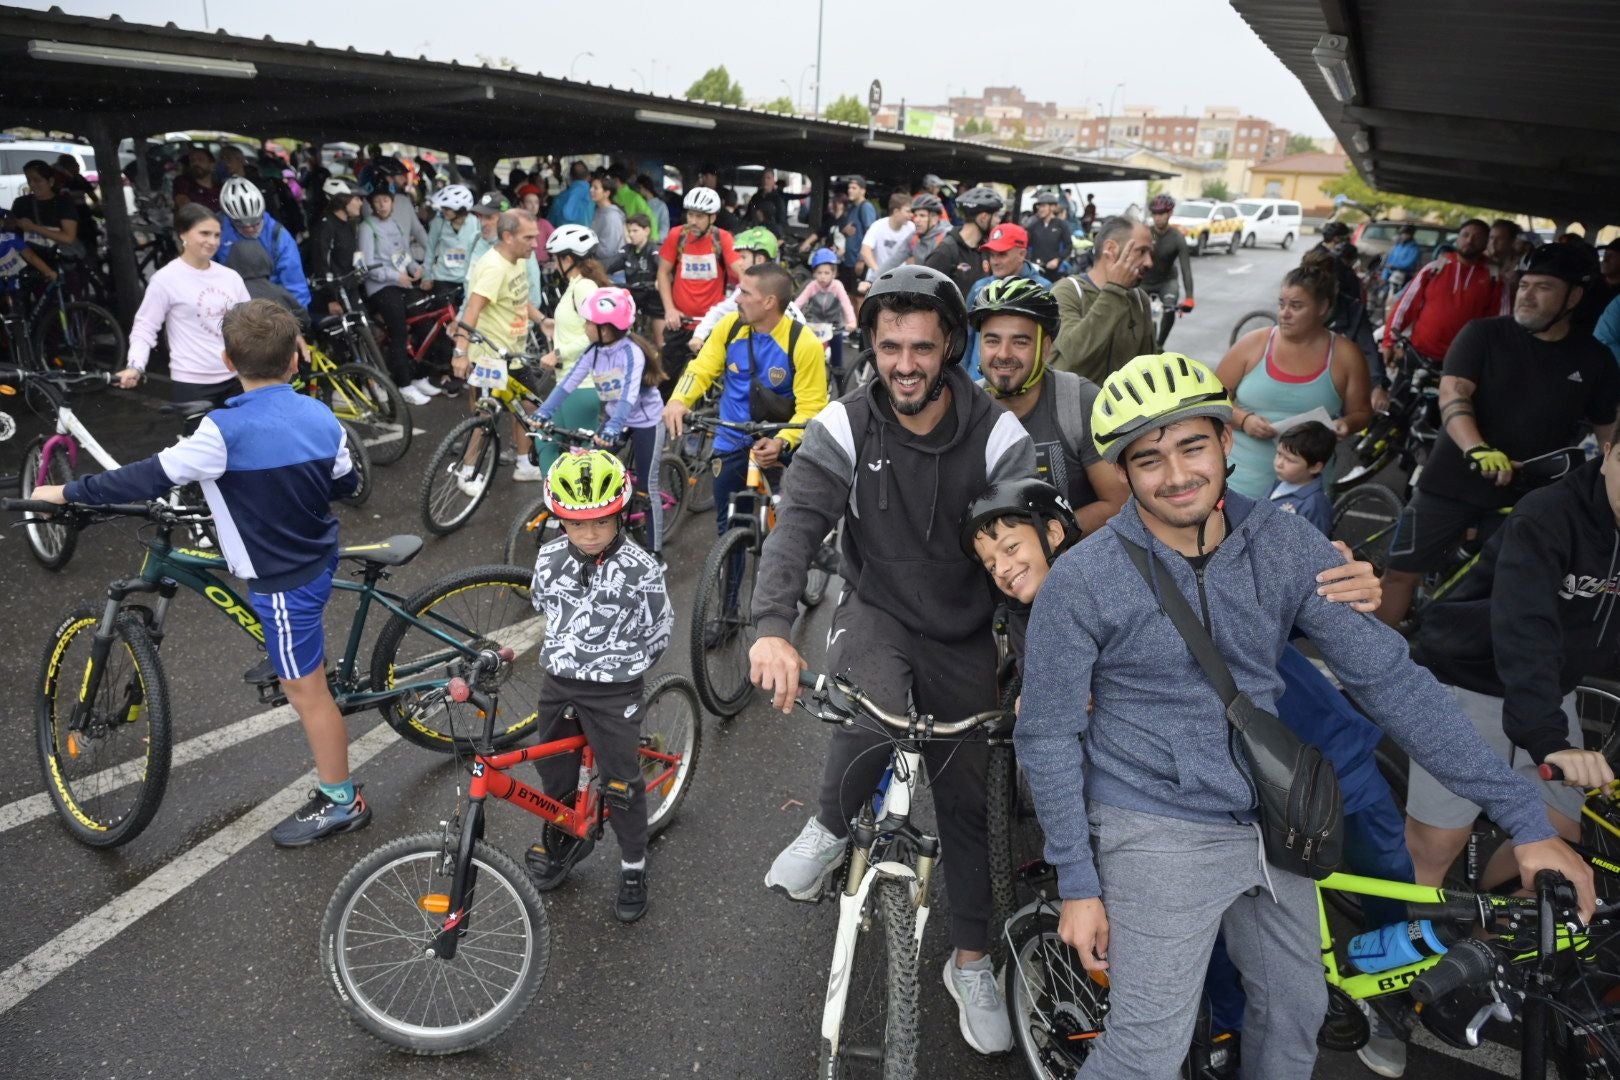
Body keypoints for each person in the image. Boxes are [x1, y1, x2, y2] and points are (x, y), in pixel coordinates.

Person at [1015, 351, 1596, 1080]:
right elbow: (1046, 733)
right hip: (1155, 823)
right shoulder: (1084, 582)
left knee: (1296, 1018)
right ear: (1125, 474)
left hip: (1271, 814)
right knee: (1144, 1053)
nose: (1176, 474)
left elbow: (1393, 681)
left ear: (1229, 443)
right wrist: (1077, 880)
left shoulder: (1287, 544)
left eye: (1193, 445)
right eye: (1148, 459)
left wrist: (1527, 819)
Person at [748, 265, 1036, 1057]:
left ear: (951, 347)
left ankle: (970, 962)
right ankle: (831, 824)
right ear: (870, 346)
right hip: (876, 609)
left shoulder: (1000, 437)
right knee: (867, 706)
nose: (904, 363)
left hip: (963, 628)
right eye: (888, 347)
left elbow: (1032, 561)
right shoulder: (844, 426)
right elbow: (798, 526)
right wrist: (772, 626)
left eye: (920, 346)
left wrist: (1041, 666)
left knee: (971, 804)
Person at [37, 299, 368, 847]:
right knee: (302, 653)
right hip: (315, 553)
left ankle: (342, 801)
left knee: (306, 692)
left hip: (281, 578)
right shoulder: (319, 414)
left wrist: (67, 491)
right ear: (294, 361)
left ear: (226, 359)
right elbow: (345, 483)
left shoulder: (222, 430)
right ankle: (304, 658)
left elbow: (147, 476)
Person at [1408, 440, 1620, 889]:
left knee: (1558, 843)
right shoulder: (1547, 516)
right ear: (1607, 454)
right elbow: (1526, 628)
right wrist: (1547, 737)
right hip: (1466, 678)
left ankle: (1494, 945)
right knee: (1437, 843)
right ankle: (1401, 947)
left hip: (1550, 688)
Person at [1377, 243, 1620, 626]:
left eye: (1544, 287)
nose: (1527, 294)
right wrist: (1477, 449)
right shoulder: (1483, 334)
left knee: (1504, 593)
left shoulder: (1594, 359)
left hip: (1531, 495)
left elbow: (1610, 434)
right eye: (1524, 285)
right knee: (1400, 575)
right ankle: (1363, 677)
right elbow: (1454, 392)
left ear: (1573, 297)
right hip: (1452, 480)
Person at [523, 449, 673, 922]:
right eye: (576, 524)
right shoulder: (549, 558)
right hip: (559, 683)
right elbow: (541, 603)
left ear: (620, 515)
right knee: (555, 775)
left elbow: (659, 630)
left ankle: (633, 863)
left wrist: (620, 669)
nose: (589, 534)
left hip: (614, 691)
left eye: (602, 523)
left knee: (621, 782)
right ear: (559, 521)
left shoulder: (641, 568)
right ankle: (569, 838)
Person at [664, 262, 830, 577]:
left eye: (744, 292)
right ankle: (727, 613)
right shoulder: (730, 327)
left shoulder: (803, 342)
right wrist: (678, 400)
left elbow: (812, 406)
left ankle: (807, 549)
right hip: (732, 439)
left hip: (780, 439)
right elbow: (701, 369)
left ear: (769, 302)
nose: (737, 298)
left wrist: (783, 440)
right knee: (729, 531)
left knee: (792, 515)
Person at [970, 276, 1127, 533]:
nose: (1003, 353)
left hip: (1071, 564)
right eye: (992, 340)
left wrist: (1044, 540)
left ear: (1045, 348)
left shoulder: (1080, 401)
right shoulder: (964, 407)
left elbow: (1118, 503)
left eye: (1020, 341)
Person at [1217, 257, 1372, 498]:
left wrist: (1347, 424)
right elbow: (1211, 398)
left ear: (1322, 308)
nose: (1284, 314)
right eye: (1282, 304)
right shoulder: (1254, 343)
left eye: (1296, 306)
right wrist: (1243, 419)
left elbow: (1362, 413)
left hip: (1304, 497)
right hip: (1239, 483)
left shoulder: (1346, 356)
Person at [536, 288, 668, 553]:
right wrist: (544, 411)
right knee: (592, 471)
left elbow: (629, 396)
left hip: (645, 421)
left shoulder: (632, 352)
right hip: (613, 419)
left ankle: (655, 551)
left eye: (588, 322)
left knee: (647, 486)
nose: (585, 327)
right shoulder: (593, 351)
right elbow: (567, 384)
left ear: (606, 329)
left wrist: (614, 427)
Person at [449, 210, 550, 486]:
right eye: (528, 237)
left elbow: (519, 300)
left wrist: (542, 321)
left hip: (513, 354)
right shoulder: (493, 267)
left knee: (527, 406)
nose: (535, 244)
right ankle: (467, 473)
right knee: (484, 416)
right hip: (490, 359)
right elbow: (472, 310)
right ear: (507, 237)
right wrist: (461, 352)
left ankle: (522, 463)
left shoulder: (517, 259)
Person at [120, 204, 251, 403]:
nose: (212, 241)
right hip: (192, 383)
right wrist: (135, 365)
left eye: (217, 235)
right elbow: (145, 327)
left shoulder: (230, 277)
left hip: (236, 379)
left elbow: (251, 323)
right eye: (204, 233)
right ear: (183, 234)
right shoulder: (165, 279)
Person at [529, 223, 611, 478]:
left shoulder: (584, 287)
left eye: (556, 258)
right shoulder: (576, 286)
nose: (554, 264)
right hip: (567, 382)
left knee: (585, 459)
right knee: (546, 440)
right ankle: (558, 506)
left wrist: (558, 353)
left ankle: (589, 510)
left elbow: (599, 335)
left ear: (568, 258)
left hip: (582, 384)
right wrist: (556, 328)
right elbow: (579, 327)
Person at [1048, 215, 1157, 384]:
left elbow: (1149, 366)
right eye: (1141, 251)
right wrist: (1115, 291)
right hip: (1073, 408)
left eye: (1150, 253)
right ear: (1111, 249)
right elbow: (1075, 351)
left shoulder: (1140, 300)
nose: (1149, 262)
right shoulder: (1067, 292)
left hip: (1123, 409)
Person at [656, 187, 743, 393]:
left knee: (714, 381)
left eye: (700, 216)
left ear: (712, 217)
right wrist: (669, 309)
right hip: (680, 321)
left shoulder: (723, 239)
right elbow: (663, 274)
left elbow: (742, 273)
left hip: (710, 324)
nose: (693, 221)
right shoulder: (677, 236)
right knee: (666, 380)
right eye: (690, 214)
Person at [1383, 218, 1501, 366]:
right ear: (1457, 238)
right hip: (1419, 353)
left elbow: (1499, 322)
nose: (1469, 241)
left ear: (1485, 243)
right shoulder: (1434, 268)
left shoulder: (1494, 278)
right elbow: (1405, 306)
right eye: (1465, 235)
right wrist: (1389, 341)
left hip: (1463, 360)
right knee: (1397, 388)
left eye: (1477, 238)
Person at [359, 185, 431, 401]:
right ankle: (403, 383)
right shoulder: (366, 227)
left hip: (402, 283)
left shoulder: (396, 224)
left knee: (424, 320)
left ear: (392, 203)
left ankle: (419, 375)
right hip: (380, 286)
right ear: (372, 204)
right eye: (378, 201)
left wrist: (414, 268)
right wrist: (394, 276)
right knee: (398, 329)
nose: (382, 205)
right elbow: (368, 266)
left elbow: (403, 255)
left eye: (386, 200)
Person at [689, 228, 806, 350]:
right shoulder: (742, 290)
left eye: (743, 257)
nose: (739, 263)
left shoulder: (780, 293)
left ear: (759, 259)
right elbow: (719, 311)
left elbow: (799, 327)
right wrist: (699, 336)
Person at [962, 223, 1052, 380]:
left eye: (1002, 254)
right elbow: (966, 336)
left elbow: (1049, 346)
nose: (995, 261)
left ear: (1022, 254)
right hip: (977, 384)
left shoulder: (1042, 289)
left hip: (1020, 386)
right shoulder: (979, 287)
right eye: (992, 255)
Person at [216, 177, 311, 311]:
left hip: (272, 305)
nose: (249, 229)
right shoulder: (216, 231)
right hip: (230, 304)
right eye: (241, 225)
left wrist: (298, 322)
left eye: (255, 223)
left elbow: (295, 284)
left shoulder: (278, 235)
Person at [925, 184, 1002, 297]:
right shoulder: (945, 251)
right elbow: (925, 293)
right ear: (984, 217)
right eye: (996, 216)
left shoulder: (986, 249)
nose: (998, 221)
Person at [1140, 194, 1196, 347]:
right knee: (1132, 311)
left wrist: (1190, 296)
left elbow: (1186, 268)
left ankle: (1159, 345)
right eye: (1155, 214)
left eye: (1162, 213)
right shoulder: (1145, 233)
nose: (1158, 218)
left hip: (1167, 281)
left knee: (1170, 308)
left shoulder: (1177, 237)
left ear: (1170, 213)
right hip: (1144, 281)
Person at [6, 159, 83, 268]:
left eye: (37, 180)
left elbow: (68, 238)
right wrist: (10, 223)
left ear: (50, 181)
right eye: (29, 180)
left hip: (58, 264)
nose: (32, 184)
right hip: (28, 264)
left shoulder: (63, 203)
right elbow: (11, 232)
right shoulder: (21, 202)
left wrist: (33, 227)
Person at [795, 249, 858, 378]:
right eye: (819, 273)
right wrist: (791, 315)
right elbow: (799, 302)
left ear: (834, 273)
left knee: (837, 363)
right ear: (814, 273)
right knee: (807, 356)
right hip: (815, 326)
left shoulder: (837, 286)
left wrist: (851, 321)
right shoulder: (812, 286)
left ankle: (841, 391)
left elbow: (846, 304)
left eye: (826, 273)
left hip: (834, 326)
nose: (822, 276)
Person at [306, 178, 363, 317]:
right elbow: (321, 263)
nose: (361, 203)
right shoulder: (326, 226)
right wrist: (330, 298)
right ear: (342, 200)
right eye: (356, 199)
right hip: (334, 292)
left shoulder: (350, 224)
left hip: (350, 286)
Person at [1268, 421, 1336, 534]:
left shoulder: (1315, 506)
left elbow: (1314, 548)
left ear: (1315, 467)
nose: (1279, 463)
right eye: (1279, 454)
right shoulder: (1281, 482)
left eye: (1290, 460)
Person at [622, 213, 665, 342]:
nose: (631, 234)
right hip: (636, 298)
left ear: (646, 231)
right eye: (629, 231)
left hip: (655, 301)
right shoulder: (628, 250)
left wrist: (659, 282)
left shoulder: (655, 250)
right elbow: (610, 263)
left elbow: (664, 271)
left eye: (635, 230)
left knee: (660, 342)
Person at [858, 192, 916, 286]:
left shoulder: (912, 228)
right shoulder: (877, 226)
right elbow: (865, 251)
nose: (911, 215)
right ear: (896, 211)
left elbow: (913, 256)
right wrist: (879, 272)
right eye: (908, 211)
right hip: (876, 279)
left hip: (900, 281)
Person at [836, 176, 878, 298]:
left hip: (858, 261)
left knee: (859, 297)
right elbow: (849, 229)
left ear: (862, 191)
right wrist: (845, 230)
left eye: (854, 188)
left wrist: (861, 259)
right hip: (849, 260)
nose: (850, 190)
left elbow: (871, 233)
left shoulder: (866, 207)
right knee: (849, 296)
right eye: (849, 187)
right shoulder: (852, 207)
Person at [1026, 191, 1070, 278]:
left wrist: (1057, 260)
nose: (1040, 209)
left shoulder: (1061, 224)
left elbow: (1069, 246)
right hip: (1035, 269)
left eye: (1043, 206)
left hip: (1053, 271)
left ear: (1053, 207)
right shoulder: (1034, 225)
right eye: (1039, 206)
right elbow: (1026, 244)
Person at [589, 175, 627, 269]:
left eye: (596, 188)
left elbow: (607, 250)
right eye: (591, 187)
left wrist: (587, 247)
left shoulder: (612, 216)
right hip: (601, 267)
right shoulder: (599, 211)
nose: (591, 190)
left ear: (606, 193)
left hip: (611, 270)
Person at [906, 193, 951, 265]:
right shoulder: (913, 237)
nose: (916, 220)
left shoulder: (947, 237)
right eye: (915, 215)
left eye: (922, 215)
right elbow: (894, 261)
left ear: (935, 219)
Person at [172, 148, 222, 212]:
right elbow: (184, 208)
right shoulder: (183, 183)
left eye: (201, 160)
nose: (196, 163)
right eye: (192, 161)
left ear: (212, 165)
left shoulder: (221, 189)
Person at [548, 161, 594, 228]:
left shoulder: (559, 198)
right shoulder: (596, 197)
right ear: (589, 176)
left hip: (564, 237)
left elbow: (549, 225)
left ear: (571, 177)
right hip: (590, 237)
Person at [745, 167, 788, 236]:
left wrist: (763, 221)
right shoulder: (755, 198)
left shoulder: (778, 200)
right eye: (763, 178)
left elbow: (781, 226)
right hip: (753, 235)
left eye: (768, 178)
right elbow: (747, 217)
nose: (765, 181)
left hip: (770, 237)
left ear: (773, 181)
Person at [635, 172, 671, 241]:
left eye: (638, 188)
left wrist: (655, 240)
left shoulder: (661, 206)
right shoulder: (638, 203)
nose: (637, 191)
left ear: (644, 187)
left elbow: (664, 228)